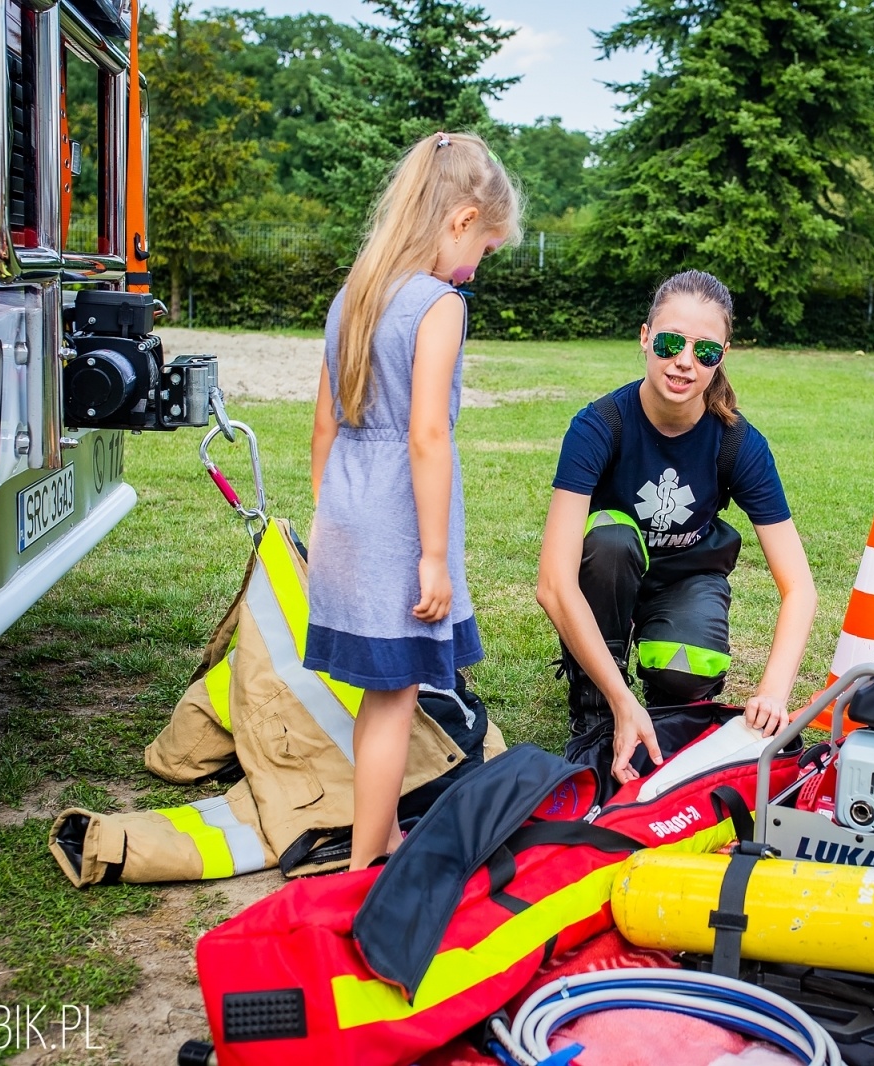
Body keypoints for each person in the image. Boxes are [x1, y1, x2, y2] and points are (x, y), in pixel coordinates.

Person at [305, 131, 521, 870]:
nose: (478, 267)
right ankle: (369, 863)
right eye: (486, 248)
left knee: (378, 694)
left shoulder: (355, 292)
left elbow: (325, 423)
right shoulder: (440, 305)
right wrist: (434, 558)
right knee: (395, 699)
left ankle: (380, 835)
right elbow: (428, 435)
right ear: (462, 218)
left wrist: (330, 517)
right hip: (399, 522)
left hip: (347, 511)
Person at [536, 270, 817, 786]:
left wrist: (774, 693)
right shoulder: (598, 426)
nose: (684, 361)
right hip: (610, 576)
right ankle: (596, 708)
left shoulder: (738, 442)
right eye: (669, 342)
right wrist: (621, 701)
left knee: (688, 673)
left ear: (722, 355)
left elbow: (798, 587)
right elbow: (553, 583)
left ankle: (664, 709)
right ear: (645, 338)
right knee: (611, 539)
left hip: (685, 580)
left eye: (705, 350)